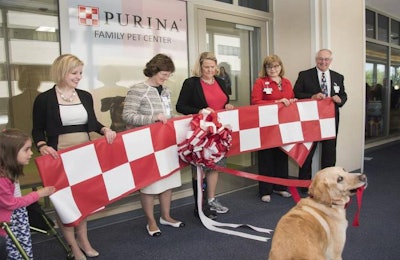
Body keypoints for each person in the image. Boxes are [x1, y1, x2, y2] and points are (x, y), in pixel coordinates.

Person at [32, 54, 117, 260]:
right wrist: (42, 145)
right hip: (58, 156)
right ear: (62, 72)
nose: (79, 77)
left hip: (84, 153)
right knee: (65, 202)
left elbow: (93, 123)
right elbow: (37, 130)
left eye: (80, 73)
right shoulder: (44, 99)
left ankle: (84, 240)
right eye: (74, 73)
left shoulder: (85, 96)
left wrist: (105, 129)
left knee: (82, 199)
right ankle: (74, 246)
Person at [122, 53, 184, 237]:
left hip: (165, 142)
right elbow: (127, 115)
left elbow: (168, 115)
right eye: (163, 74)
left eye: (168, 75)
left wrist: (179, 119)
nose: (166, 78)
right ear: (153, 70)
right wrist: (152, 118)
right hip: (146, 144)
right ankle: (151, 221)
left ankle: (166, 216)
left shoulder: (165, 91)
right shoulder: (137, 89)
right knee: (150, 184)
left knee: (168, 180)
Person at [176, 51, 234, 219]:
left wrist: (228, 105)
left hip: (218, 132)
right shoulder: (191, 83)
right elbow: (181, 106)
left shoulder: (221, 82)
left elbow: (223, 102)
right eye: (206, 67)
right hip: (199, 133)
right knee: (200, 169)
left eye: (212, 67)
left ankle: (211, 200)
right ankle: (199, 206)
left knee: (215, 166)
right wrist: (199, 111)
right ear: (200, 67)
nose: (209, 70)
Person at [293, 49, 347, 192]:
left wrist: (340, 99)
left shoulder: (338, 76)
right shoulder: (304, 75)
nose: (323, 62)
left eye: (326, 59)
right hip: (310, 120)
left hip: (330, 120)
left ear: (331, 61)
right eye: (320, 59)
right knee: (307, 152)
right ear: (316, 59)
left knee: (329, 153)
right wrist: (312, 96)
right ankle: (304, 185)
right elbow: (296, 93)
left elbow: (343, 94)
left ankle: (327, 184)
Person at [0, 128, 55, 260]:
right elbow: (10, 203)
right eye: (26, 149)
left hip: (15, 216)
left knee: (21, 247)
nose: (31, 153)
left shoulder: (9, 171)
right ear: (11, 152)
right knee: (14, 249)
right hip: (8, 220)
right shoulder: (3, 179)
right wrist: (39, 194)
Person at [251, 54, 295, 203]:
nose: (272, 69)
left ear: (281, 67)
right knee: (266, 158)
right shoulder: (260, 82)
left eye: (276, 66)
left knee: (282, 156)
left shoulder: (287, 82)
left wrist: (292, 101)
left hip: (283, 125)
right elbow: (255, 102)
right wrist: (277, 101)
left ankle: (280, 187)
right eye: (269, 67)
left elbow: (291, 98)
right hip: (266, 125)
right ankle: (265, 190)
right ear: (265, 69)